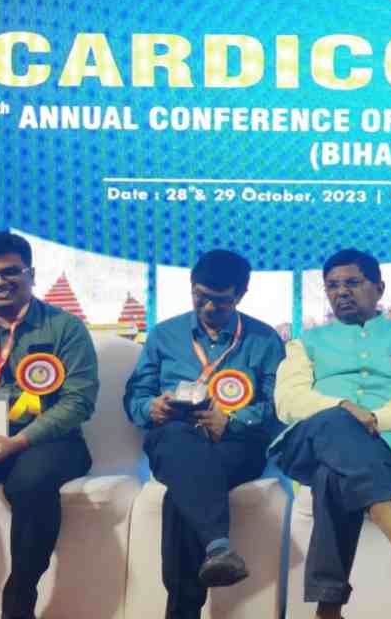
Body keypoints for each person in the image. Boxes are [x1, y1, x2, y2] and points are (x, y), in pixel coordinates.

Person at [270, 248, 391, 619]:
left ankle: (328, 608)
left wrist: (375, 419)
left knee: (331, 475)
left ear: (379, 288)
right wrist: (345, 408)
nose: (341, 292)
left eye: (352, 283)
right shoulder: (305, 342)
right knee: (337, 420)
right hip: (312, 441)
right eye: (332, 286)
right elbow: (288, 401)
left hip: (389, 448)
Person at [124, 249, 286, 619]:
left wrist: (233, 420)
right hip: (174, 435)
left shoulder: (264, 340)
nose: (209, 306)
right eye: (201, 296)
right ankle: (217, 545)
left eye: (221, 300)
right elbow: (135, 396)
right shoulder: (164, 335)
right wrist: (152, 407)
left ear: (240, 295)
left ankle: (184, 609)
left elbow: (279, 406)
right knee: (180, 445)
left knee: (181, 493)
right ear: (192, 287)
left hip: (236, 444)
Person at [0, 231, 98, 619]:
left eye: (10, 272)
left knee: (31, 483)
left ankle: (19, 599)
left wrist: (18, 441)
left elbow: (78, 402)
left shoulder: (66, 328)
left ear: (31, 274)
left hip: (46, 442)